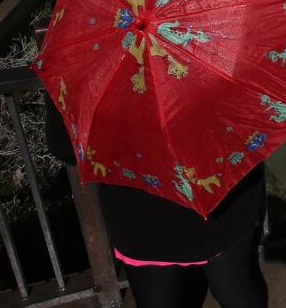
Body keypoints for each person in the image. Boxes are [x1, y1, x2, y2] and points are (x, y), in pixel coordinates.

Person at [43, 97, 269, 307]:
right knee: (237, 292)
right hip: (220, 206)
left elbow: (64, 147)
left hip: (141, 218)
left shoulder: (84, 60)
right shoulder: (215, 53)